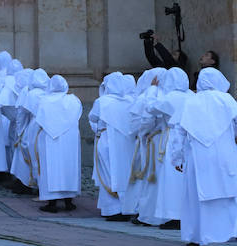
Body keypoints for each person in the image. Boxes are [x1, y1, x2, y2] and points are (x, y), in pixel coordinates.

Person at [169, 68, 237, 246]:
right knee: (232, 193)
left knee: (198, 198)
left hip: (198, 157)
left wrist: (177, 157)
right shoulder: (226, 100)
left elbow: (178, 133)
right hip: (225, 154)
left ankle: (198, 238)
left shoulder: (190, 102)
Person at [147, 67, 194, 229]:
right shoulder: (191, 96)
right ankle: (189, 213)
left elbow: (150, 107)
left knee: (172, 177)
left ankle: (175, 215)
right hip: (191, 139)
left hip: (173, 137)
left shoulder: (170, 97)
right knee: (188, 178)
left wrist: (152, 88)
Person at [88, 72, 135, 220]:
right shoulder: (130, 100)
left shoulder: (103, 101)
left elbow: (93, 117)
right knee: (124, 172)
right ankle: (126, 206)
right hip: (126, 141)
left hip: (107, 139)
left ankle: (113, 209)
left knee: (108, 173)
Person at [122, 67, 166, 221]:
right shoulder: (169, 95)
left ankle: (144, 212)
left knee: (146, 178)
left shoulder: (146, 96)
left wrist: (141, 134)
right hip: (165, 141)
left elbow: (141, 122)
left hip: (150, 142)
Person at [34, 75, 83, 212]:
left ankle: (52, 203)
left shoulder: (44, 101)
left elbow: (39, 118)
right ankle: (69, 201)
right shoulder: (74, 101)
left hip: (50, 138)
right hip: (69, 140)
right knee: (69, 167)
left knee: (51, 168)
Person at [12, 68, 50, 194]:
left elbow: (21, 114)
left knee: (25, 155)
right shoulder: (49, 92)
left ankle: (25, 183)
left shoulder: (30, 93)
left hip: (33, 126)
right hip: (48, 127)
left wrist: (20, 131)